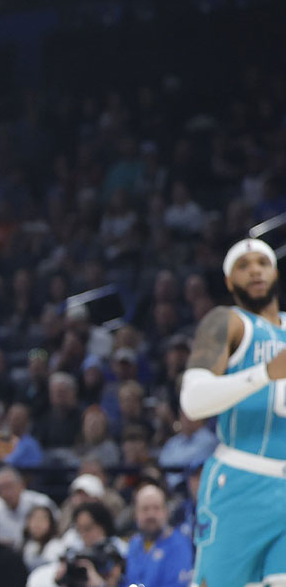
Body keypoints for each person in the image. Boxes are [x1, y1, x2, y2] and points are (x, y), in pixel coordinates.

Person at [179, 237, 286, 587]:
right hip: (241, 481)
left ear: (275, 272)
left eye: (262, 263)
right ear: (229, 281)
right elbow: (193, 401)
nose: (254, 270)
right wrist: (265, 373)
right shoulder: (227, 321)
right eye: (243, 265)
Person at [121, 483, 192, 587]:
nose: (151, 514)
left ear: (166, 512)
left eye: (156, 508)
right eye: (145, 509)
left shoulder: (179, 544)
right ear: (136, 514)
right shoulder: (134, 543)